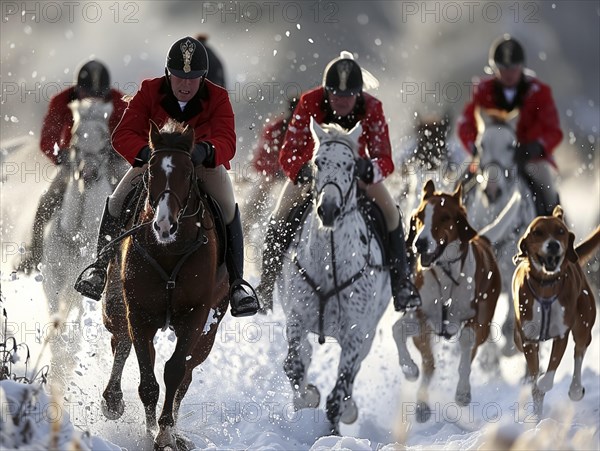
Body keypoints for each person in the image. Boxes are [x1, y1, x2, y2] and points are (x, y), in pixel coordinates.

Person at [74, 36, 259, 317]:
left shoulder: (218, 96)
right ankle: (99, 269)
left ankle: (236, 285)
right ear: (167, 74)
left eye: (193, 79)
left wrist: (206, 151)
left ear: (203, 78)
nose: (185, 85)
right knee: (116, 199)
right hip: (156, 163)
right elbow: (123, 134)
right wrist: (147, 155)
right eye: (179, 78)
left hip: (202, 165)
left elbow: (228, 141)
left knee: (228, 207)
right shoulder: (149, 90)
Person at [256, 51, 421, 313]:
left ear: (359, 93)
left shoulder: (373, 107)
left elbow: (385, 159)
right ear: (325, 91)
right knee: (279, 213)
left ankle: (401, 283)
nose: (341, 101)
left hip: (356, 173)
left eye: (348, 95)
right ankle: (266, 285)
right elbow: (288, 151)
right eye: (335, 95)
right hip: (315, 171)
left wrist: (369, 168)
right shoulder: (310, 102)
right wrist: (304, 170)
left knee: (392, 214)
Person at [18, 60, 127, 272]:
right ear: (78, 89)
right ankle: (35, 251)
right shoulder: (62, 100)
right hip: (72, 162)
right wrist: (62, 157)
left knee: (130, 195)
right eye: (87, 92)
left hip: (111, 161)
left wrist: (117, 152)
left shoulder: (120, 102)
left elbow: (131, 132)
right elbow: (47, 139)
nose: (92, 98)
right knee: (47, 200)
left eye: (98, 93)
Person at [457, 34, 563, 216]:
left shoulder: (539, 92)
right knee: (460, 182)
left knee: (547, 188)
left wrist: (537, 146)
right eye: (502, 68)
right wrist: (476, 147)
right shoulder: (482, 89)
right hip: (490, 155)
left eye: (513, 68)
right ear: (494, 68)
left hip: (529, 158)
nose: (508, 74)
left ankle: (555, 225)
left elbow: (553, 131)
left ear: (521, 67)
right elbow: (465, 124)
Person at [243, 97, 298, 235]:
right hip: (272, 174)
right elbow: (264, 156)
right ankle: (245, 227)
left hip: (294, 176)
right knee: (260, 191)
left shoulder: (305, 130)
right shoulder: (276, 128)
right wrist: (274, 171)